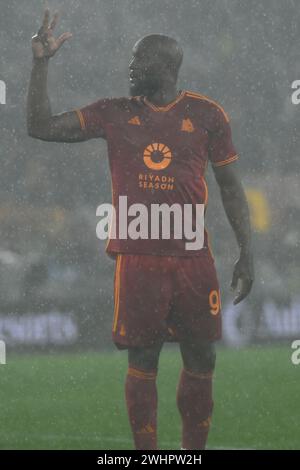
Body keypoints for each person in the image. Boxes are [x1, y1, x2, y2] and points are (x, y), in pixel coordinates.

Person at [27, 10, 254, 450]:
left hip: (192, 257)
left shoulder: (208, 115)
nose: (130, 68)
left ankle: (193, 454)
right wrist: (41, 63)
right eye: (131, 60)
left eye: (139, 60)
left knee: (203, 355)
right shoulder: (114, 113)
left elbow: (231, 189)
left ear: (166, 68)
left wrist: (248, 252)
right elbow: (40, 127)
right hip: (139, 260)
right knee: (144, 358)